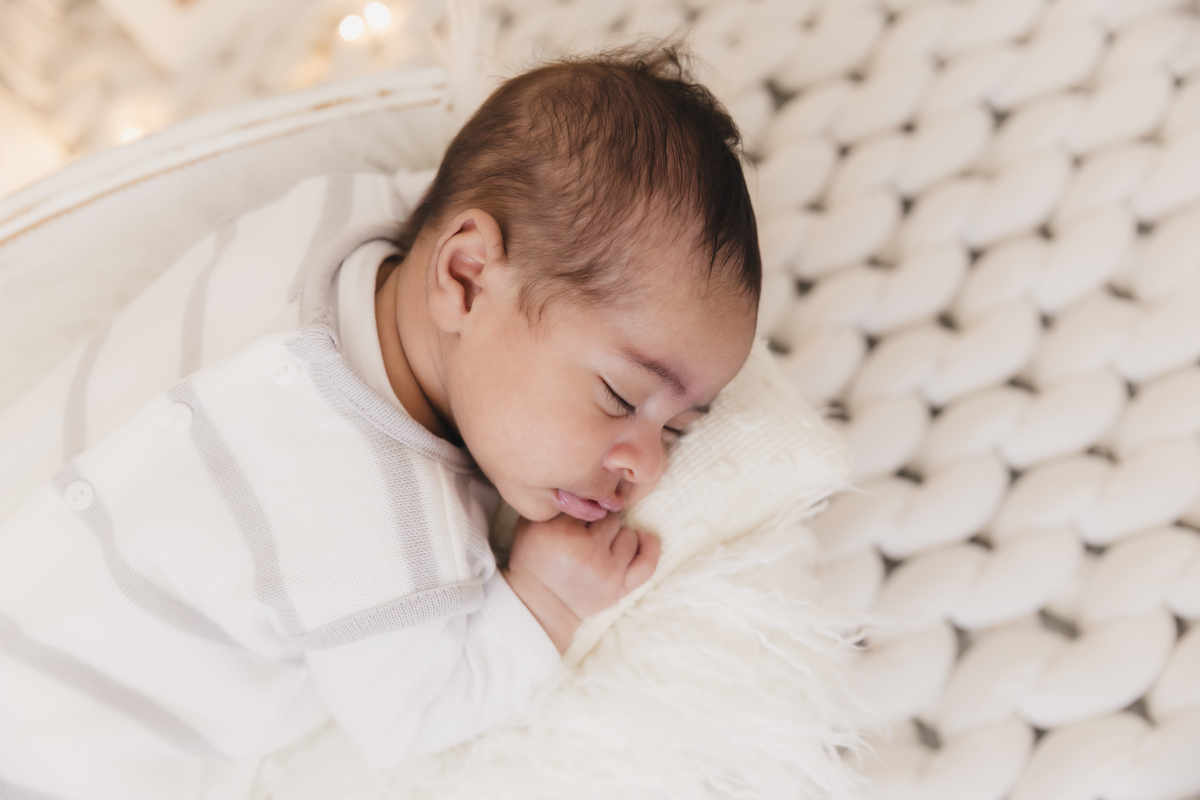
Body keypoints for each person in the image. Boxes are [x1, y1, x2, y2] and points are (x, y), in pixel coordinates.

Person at [0, 45, 761, 799]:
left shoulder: (339, 207)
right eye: (622, 398)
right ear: (464, 277)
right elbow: (416, 715)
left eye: (678, 429)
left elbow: (489, 201)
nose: (648, 466)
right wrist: (545, 604)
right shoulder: (394, 535)